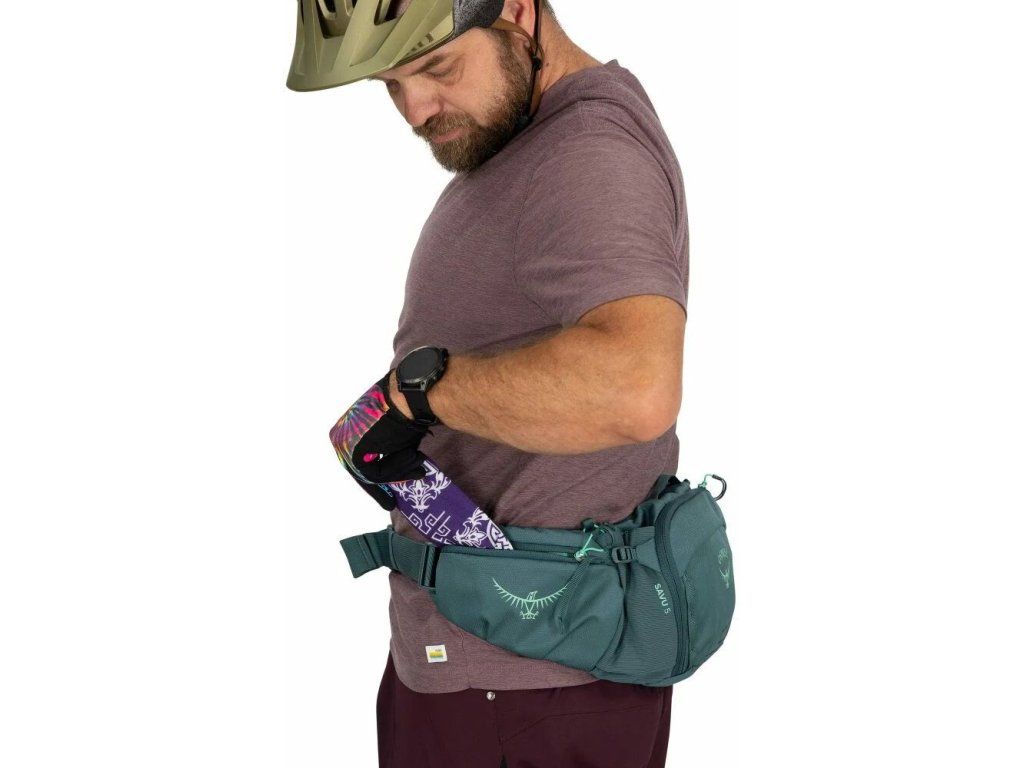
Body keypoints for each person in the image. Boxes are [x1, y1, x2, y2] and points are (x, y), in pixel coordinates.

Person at [288, 2, 689, 766]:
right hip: (497, 668)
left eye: (436, 68)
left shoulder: (589, 154)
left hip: (526, 688)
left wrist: (421, 395)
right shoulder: (532, 139)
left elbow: (634, 387)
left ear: (516, 11)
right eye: (391, 84)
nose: (415, 109)